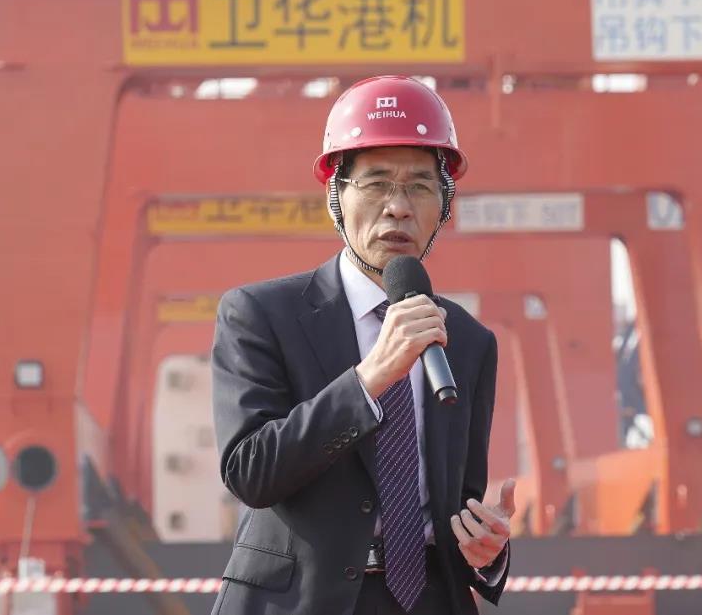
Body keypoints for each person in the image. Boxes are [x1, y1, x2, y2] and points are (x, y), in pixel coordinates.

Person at [211, 75, 515, 615]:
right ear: (336, 197)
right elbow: (250, 472)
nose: (398, 207)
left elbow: (458, 504)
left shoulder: (468, 342)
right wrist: (369, 379)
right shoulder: (259, 314)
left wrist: (485, 551)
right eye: (376, 184)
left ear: (443, 205)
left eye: (420, 186)